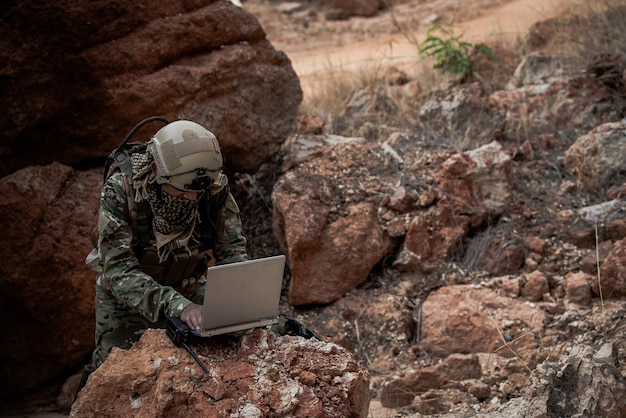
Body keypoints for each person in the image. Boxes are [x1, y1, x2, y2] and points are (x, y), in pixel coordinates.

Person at [85, 119, 249, 370]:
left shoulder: (212, 187)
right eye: (182, 193)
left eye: (197, 193)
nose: (192, 198)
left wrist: (239, 295)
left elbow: (231, 249)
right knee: (110, 369)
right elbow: (118, 271)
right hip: (127, 296)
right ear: (155, 170)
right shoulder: (122, 191)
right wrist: (178, 306)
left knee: (250, 332)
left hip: (188, 284)